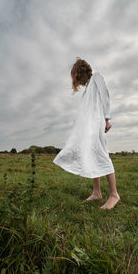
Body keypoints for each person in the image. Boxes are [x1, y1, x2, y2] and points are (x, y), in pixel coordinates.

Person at [53, 57, 120, 209]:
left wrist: (107, 118)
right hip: (89, 125)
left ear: (81, 72)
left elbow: (105, 96)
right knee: (91, 153)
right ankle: (97, 192)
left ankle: (114, 195)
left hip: (97, 123)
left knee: (102, 154)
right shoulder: (89, 85)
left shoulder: (96, 76)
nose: (79, 82)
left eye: (77, 77)